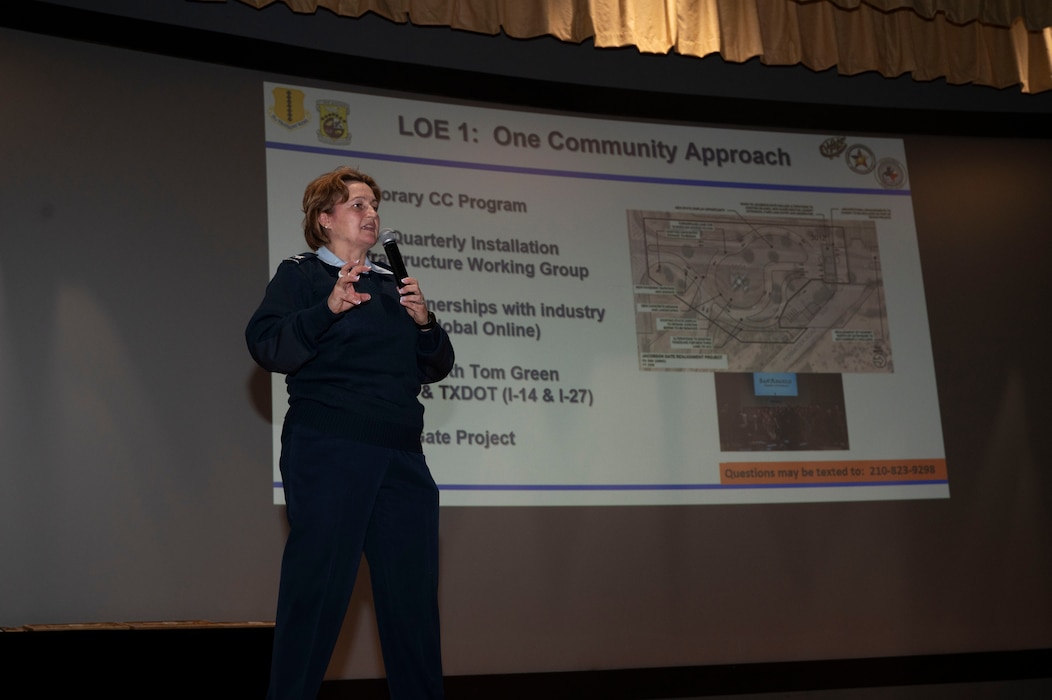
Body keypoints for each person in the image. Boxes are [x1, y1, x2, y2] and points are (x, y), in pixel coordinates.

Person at [246, 166, 454, 699]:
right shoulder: (302, 275)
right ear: (325, 218)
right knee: (317, 593)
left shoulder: (393, 282)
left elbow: (435, 365)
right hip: (330, 447)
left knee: (413, 601)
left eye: (373, 205)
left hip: (402, 455)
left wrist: (425, 324)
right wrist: (327, 309)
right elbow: (268, 345)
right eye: (358, 205)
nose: (371, 214)